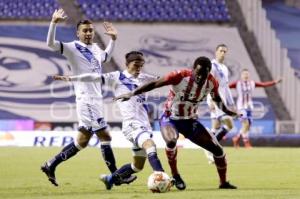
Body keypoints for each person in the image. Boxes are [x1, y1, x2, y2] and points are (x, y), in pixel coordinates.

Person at [41, 8, 135, 186]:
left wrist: (113, 39)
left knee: (82, 142)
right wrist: (53, 23)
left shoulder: (96, 48)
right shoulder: (72, 47)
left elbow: (106, 57)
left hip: (96, 100)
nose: (88, 33)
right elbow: (51, 44)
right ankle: (116, 176)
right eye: (85, 30)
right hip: (86, 100)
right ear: (78, 33)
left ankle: (50, 164)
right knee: (105, 137)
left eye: (90, 30)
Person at [115, 56, 238, 190]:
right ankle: (175, 175)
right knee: (171, 141)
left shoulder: (212, 82)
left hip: (190, 121)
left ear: (209, 73)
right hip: (170, 118)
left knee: (218, 150)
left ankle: (223, 183)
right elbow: (154, 84)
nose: (200, 78)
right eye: (198, 74)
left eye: (204, 74)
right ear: (193, 70)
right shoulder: (179, 76)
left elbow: (217, 99)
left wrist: (229, 111)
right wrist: (132, 93)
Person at [53, 51, 167, 190]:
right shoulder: (117, 77)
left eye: (141, 65)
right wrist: (71, 78)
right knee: (150, 145)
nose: (139, 68)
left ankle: (110, 179)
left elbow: (165, 80)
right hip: (132, 124)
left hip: (144, 125)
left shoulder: (144, 78)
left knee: (137, 167)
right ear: (127, 64)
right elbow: (93, 77)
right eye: (136, 64)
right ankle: (160, 174)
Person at [230, 69, 282, 148]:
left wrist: (275, 82)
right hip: (240, 107)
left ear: (249, 75)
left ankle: (237, 138)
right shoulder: (237, 84)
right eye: (244, 74)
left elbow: (264, 84)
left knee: (248, 126)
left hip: (249, 107)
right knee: (245, 124)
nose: (246, 75)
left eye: (247, 74)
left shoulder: (252, 83)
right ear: (241, 76)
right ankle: (246, 142)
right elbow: (225, 87)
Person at [204, 44, 236, 164]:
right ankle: (211, 148)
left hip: (223, 100)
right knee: (230, 124)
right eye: (221, 51)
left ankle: (208, 147)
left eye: (225, 51)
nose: (223, 53)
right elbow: (208, 83)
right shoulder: (212, 66)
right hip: (215, 99)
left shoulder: (224, 68)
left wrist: (231, 103)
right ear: (216, 52)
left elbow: (226, 87)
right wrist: (210, 99)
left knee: (216, 126)